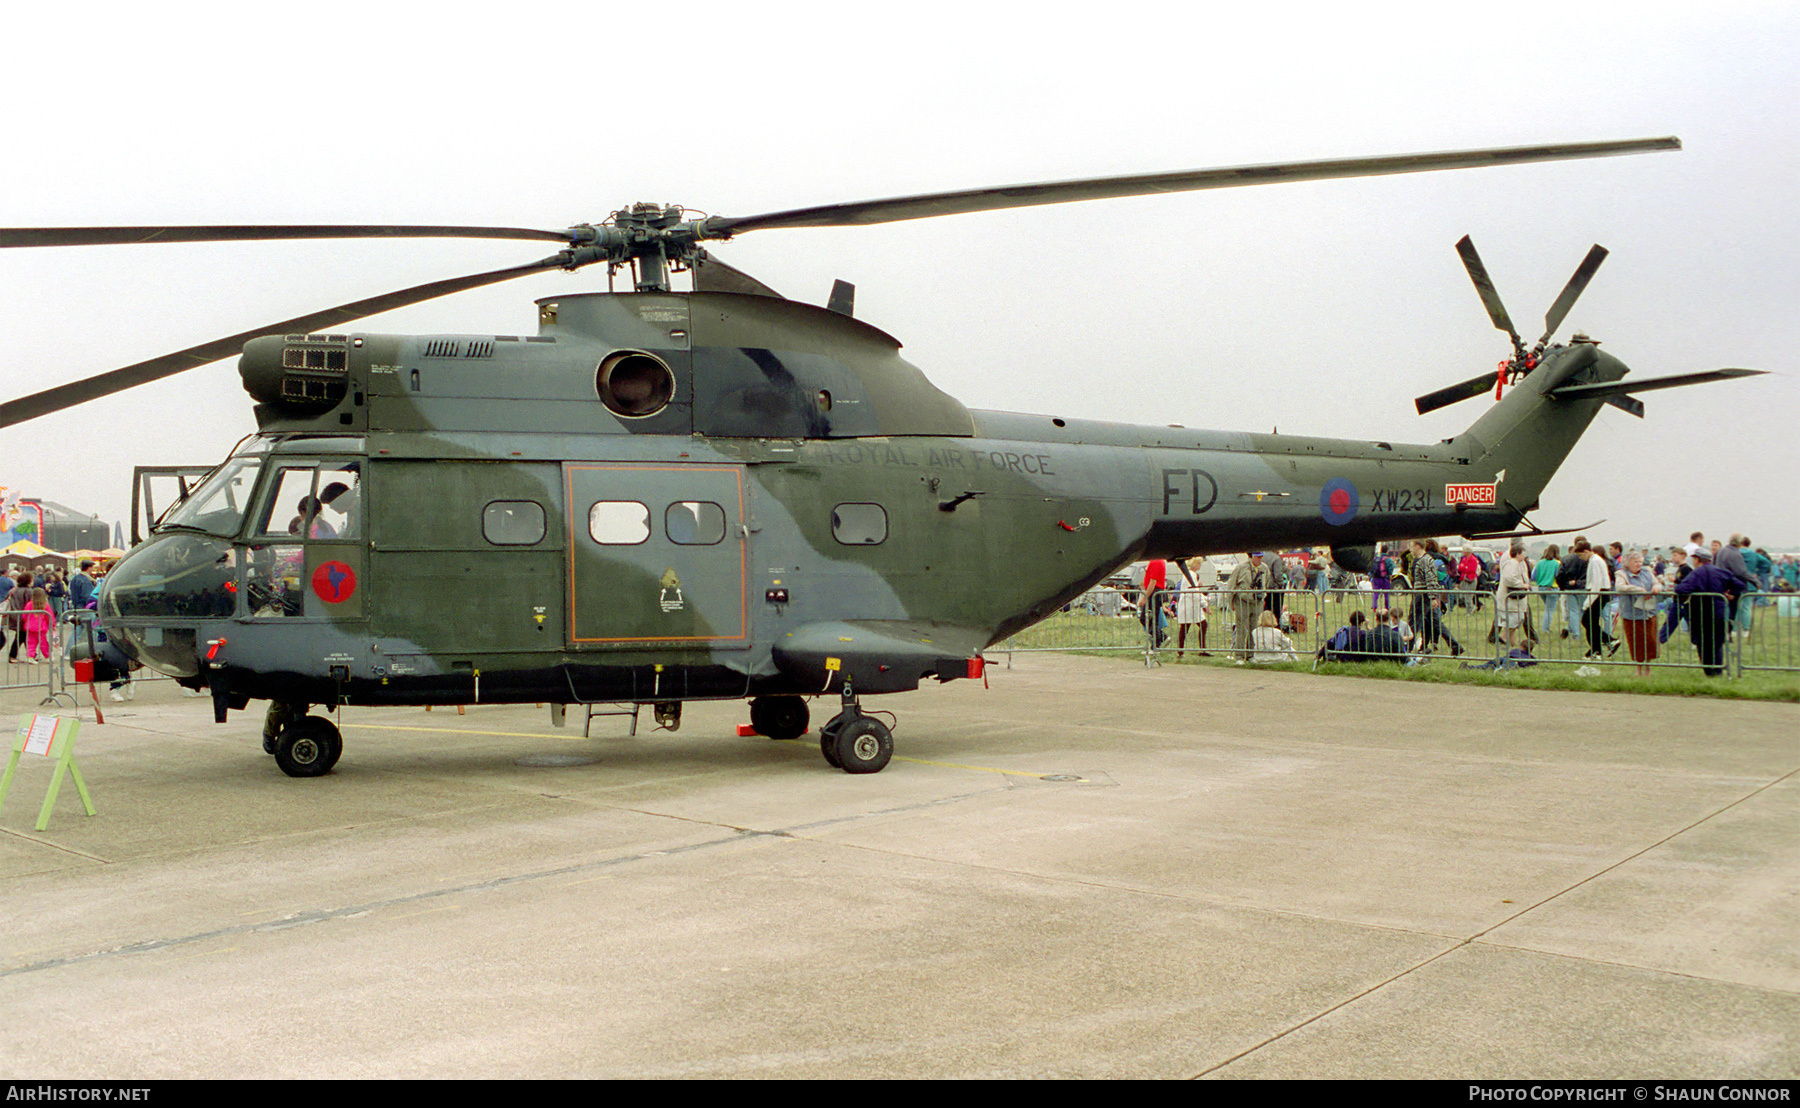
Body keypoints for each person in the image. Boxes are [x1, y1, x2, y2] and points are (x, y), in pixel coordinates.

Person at [1675, 548, 1739, 677]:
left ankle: (1709, 672)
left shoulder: (1697, 573)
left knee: (1703, 643)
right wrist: (1731, 594)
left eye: (1693, 559)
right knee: (1717, 643)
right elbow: (1739, 584)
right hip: (1719, 611)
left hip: (1700, 612)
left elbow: (1681, 588)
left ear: (1697, 560)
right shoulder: (1721, 571)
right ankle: (1719, 671)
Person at [1613, 550, 1662, 677]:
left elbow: (1656, 583)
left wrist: (1656, 588)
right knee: (1636, 641)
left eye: (1640, 561)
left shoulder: (1647, 571)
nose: (1639, 564)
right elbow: (1620, 587)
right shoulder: (1621, 574)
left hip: (1649, 612)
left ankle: (1648, 668)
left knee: (1650, 640)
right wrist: (1638, 590)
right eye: (1635, 562)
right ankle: (1638, 669)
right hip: (1632, 615)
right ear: (1627, 563)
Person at [1227, 553, 1270, 661]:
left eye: (1261, 556)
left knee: (1254, 629)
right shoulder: (1241, 567)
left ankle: (1251, 655)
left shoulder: (1264, 568)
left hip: (1257, 602)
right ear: (1251, 556)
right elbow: (1232, 584)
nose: (1260, 559)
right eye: (1258, 557)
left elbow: (1267, 582)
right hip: (1243, 601)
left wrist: (1263, 596)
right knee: (1242, 629)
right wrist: (1230, 601)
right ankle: (1239, 656)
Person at [1495, 540, 1532, 650]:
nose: (1524, 555)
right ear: (1518, 553)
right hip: (1510, 597)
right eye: (1523, 552)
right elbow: (1509, 578)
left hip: (1514, 598)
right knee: (1514, 619)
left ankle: (1511, 640)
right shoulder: (1512, 564)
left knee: (1517, 619)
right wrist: (1522, 585)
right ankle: (1504, 638)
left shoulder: (1518, 563)